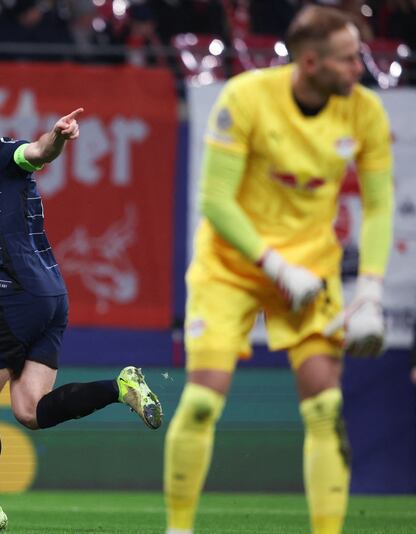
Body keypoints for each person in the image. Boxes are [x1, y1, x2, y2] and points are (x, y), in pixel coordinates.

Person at [165, 5, 393, 534]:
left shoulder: (364, 112)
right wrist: (275, 265)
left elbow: (381, 206)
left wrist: (374, 289)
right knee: (201, 403)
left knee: (325, 409)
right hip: (232, 266)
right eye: (347, 59)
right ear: (310, 62)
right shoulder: (246, 98)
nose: (359, 67)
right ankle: (178, 529)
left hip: (312, 270)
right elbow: (215, 200)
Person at [0, 90, 163, 532]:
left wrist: (57, 137)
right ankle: (120, 387)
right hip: (49, 296)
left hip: (11, 293)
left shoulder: (4, 155)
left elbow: (35, 152)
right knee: (30, 411)